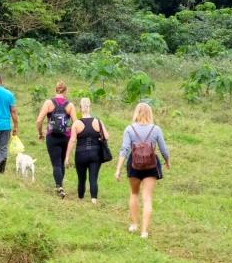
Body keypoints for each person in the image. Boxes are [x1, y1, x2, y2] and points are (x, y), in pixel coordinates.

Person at [113, 101, 171, 237]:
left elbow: (124, 149)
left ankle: (134, 225)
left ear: (136, 113)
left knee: (134, 194)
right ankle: (144, 231)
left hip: (134, 164)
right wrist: (167, 161)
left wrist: (118, 169)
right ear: (150, 114)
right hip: (151, 165)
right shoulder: (156, 129)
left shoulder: (129, 129)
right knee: (147, 198)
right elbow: (164, 149)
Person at [67, 97, 108, 200]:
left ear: (80, 108)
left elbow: (72, 140)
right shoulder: (98, 122)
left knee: (81, 179)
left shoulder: (76, 123)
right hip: (95, 153)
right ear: (90, 107)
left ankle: (81, 198)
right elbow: (106, 136)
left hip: (81, 154)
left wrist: (67, 156)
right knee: (93, 178)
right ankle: (94, 200)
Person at [39, 82, 75, 196]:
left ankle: (59, 186)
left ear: (56, 90)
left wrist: (40, 133)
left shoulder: (49, 103)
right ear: (65, 91)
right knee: (62, 161)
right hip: (66, 137)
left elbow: (39, 120)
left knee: (56, 163)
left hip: (52, 136)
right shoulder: (70, 105)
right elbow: (76, 122)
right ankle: (60, 185)